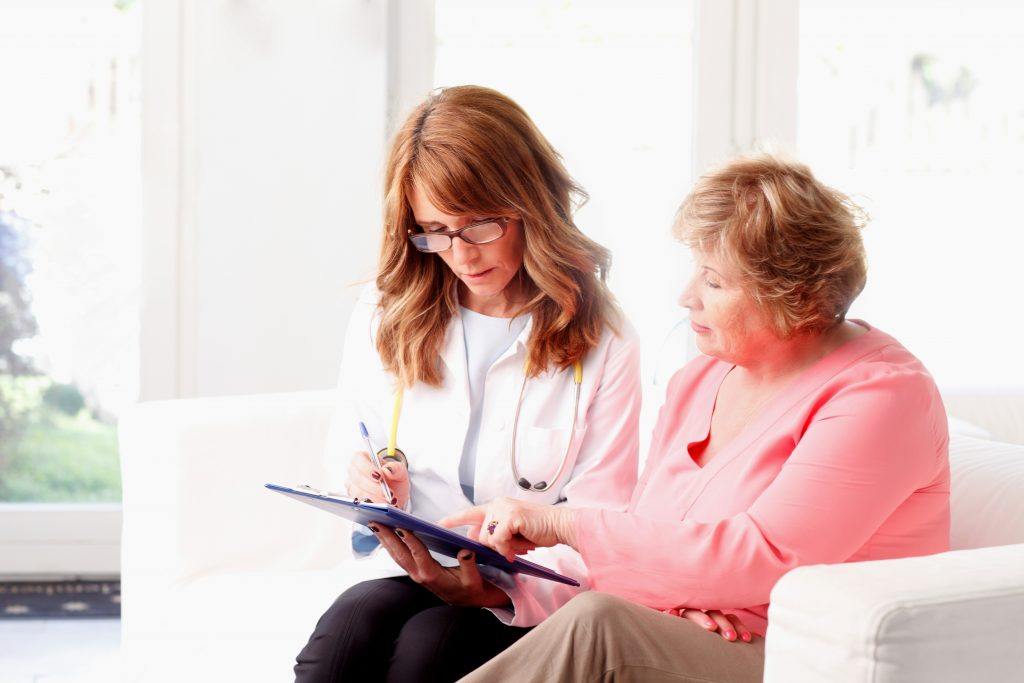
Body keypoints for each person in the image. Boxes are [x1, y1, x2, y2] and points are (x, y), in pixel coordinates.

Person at [445, 153, 951, 682]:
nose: (686, 297)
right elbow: (651, 546)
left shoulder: (883, 397)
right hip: (707, 635)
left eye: (713, 280)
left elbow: (761, 558)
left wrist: (563, 524)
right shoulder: (701, 380)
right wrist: (671, 606)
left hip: (805, 658)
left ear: (791, 296)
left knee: (600, 625)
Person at [293, 85, 643, 682]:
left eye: (480, 225)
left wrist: (493, 593)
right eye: (434, 230)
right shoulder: (388, 312)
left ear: (531, 204)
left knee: (431, 650)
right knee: (344, 637)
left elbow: (598, 519)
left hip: (519, 588)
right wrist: (368, 481)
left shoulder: (606, 340)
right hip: (406, 566)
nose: (460, 254)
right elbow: (352, 439)